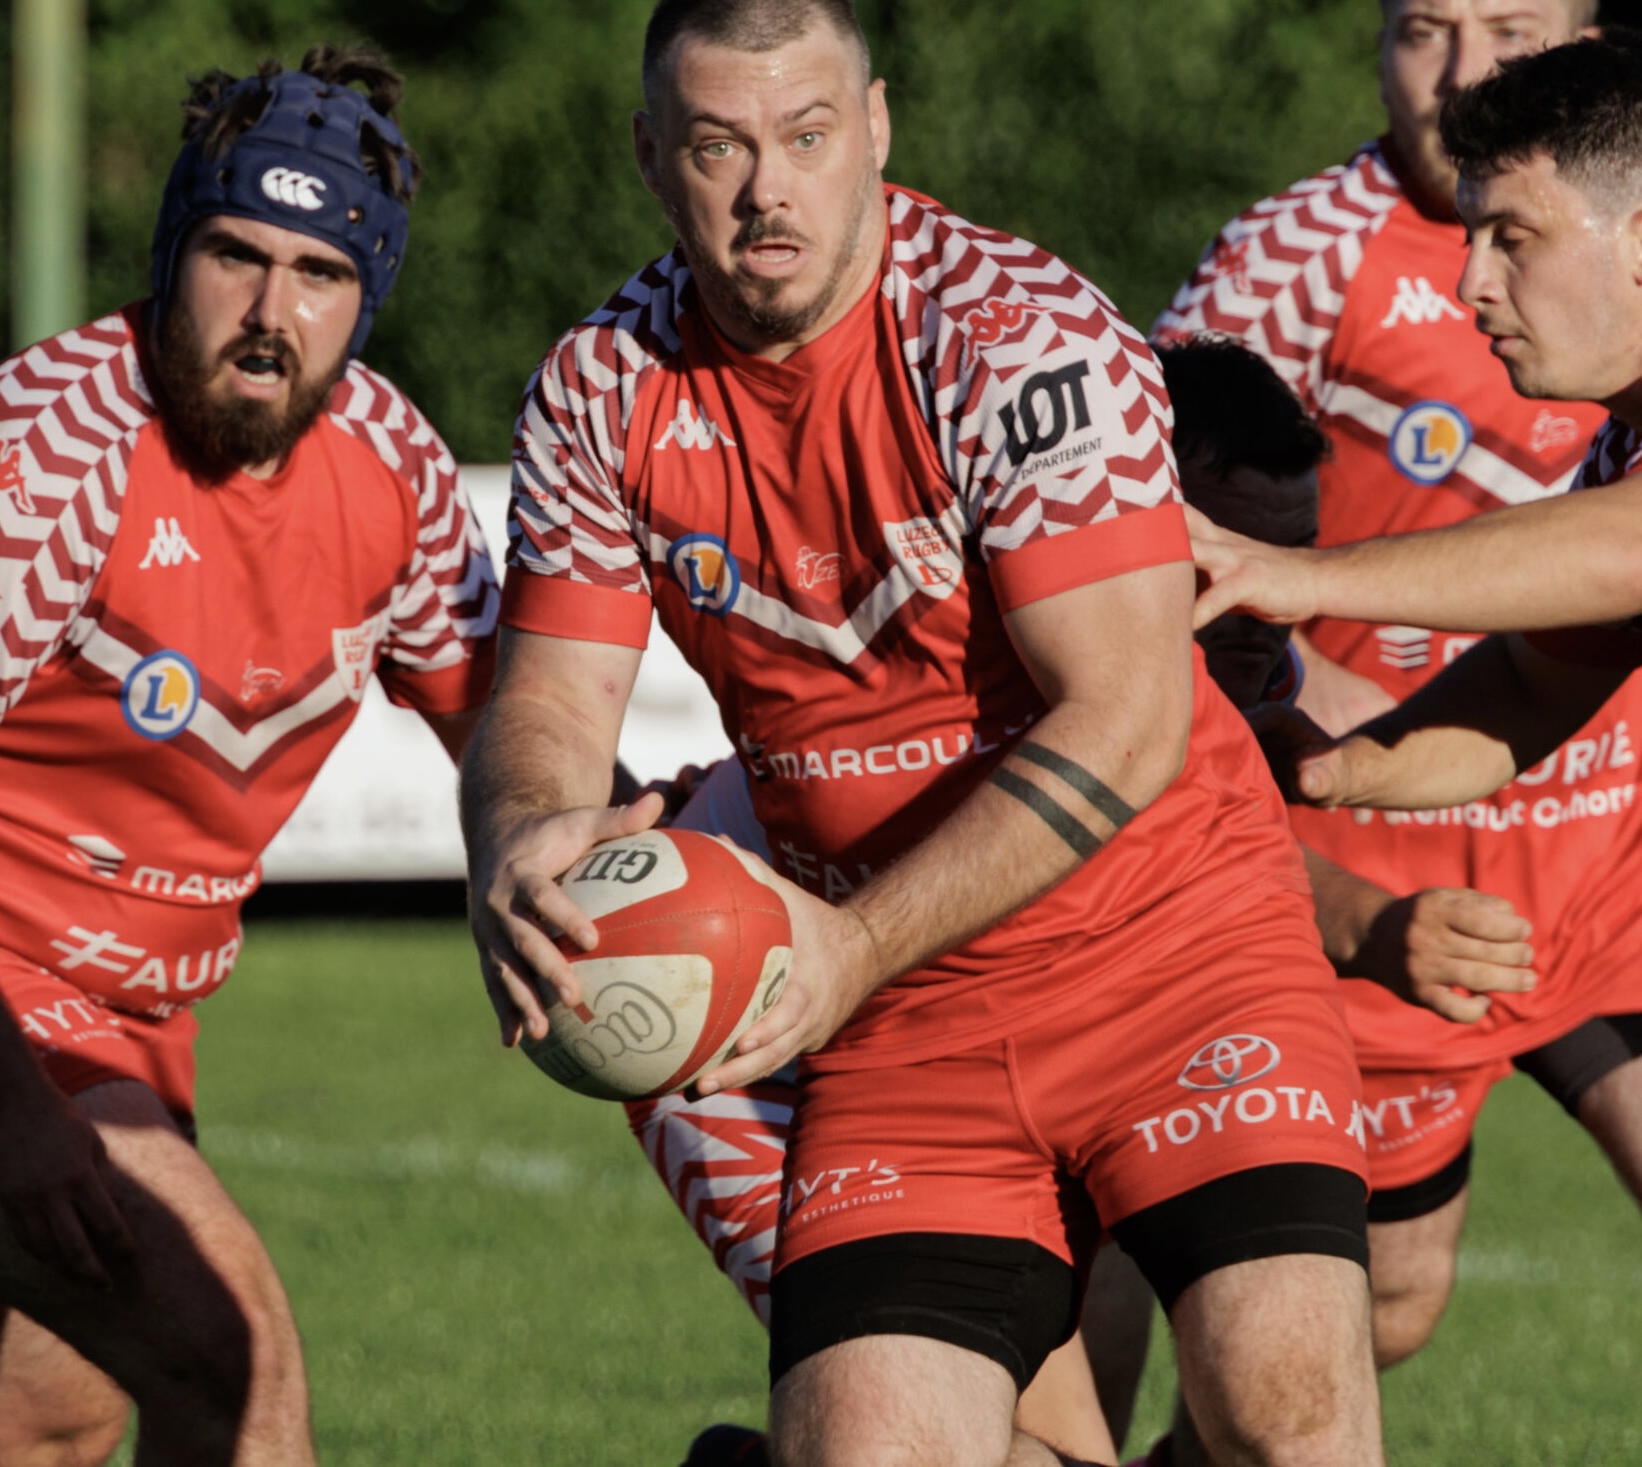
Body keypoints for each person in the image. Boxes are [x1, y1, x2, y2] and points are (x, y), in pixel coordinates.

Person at [463, 5, 1383, 1465]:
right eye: (719, 147)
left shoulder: (1017, 335)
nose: (768, 190)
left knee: (1288, 1414)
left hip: (1173, 955)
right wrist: (520, 840)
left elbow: (1130, 717)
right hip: (905, 1017)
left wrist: (850, 946)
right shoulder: (600, 386)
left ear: (877, 128)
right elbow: (552, 702)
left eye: (807, 136)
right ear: (650, 155)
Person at [0, 44, 498, 1465]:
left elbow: (512, 733)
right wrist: (14, 1104)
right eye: (235, 255)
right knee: (232, 1362)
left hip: (116, 994)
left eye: (320, 273)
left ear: (370, 295)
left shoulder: (392, 465)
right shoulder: (37, 454)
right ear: (171, 249)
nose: (271, 314)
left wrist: (599, 870)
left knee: (36, 1421)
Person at [640, 337, 1535, 1466]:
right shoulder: (1032, 656)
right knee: (1014, 1439)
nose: (1256, 601)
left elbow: (1277, 802)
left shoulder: (1250, 648)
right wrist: (1368, 919)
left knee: (1275, 1387)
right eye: (1212, 554)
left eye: (1286, 557)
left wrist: (1380, 770)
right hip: (755, 1040)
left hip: (1054, 1019)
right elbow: (1071, 842)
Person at [1152, 0, 1642, 1384]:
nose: (1472, 282)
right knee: (1368, 1310)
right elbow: (1532, 688)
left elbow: (1622, 551)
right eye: (1470, 237)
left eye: (1514, 240)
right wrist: (1338, 765)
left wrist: (1299, 576)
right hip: (1434, 891)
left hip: (1597, 874)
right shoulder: (1615, 442)